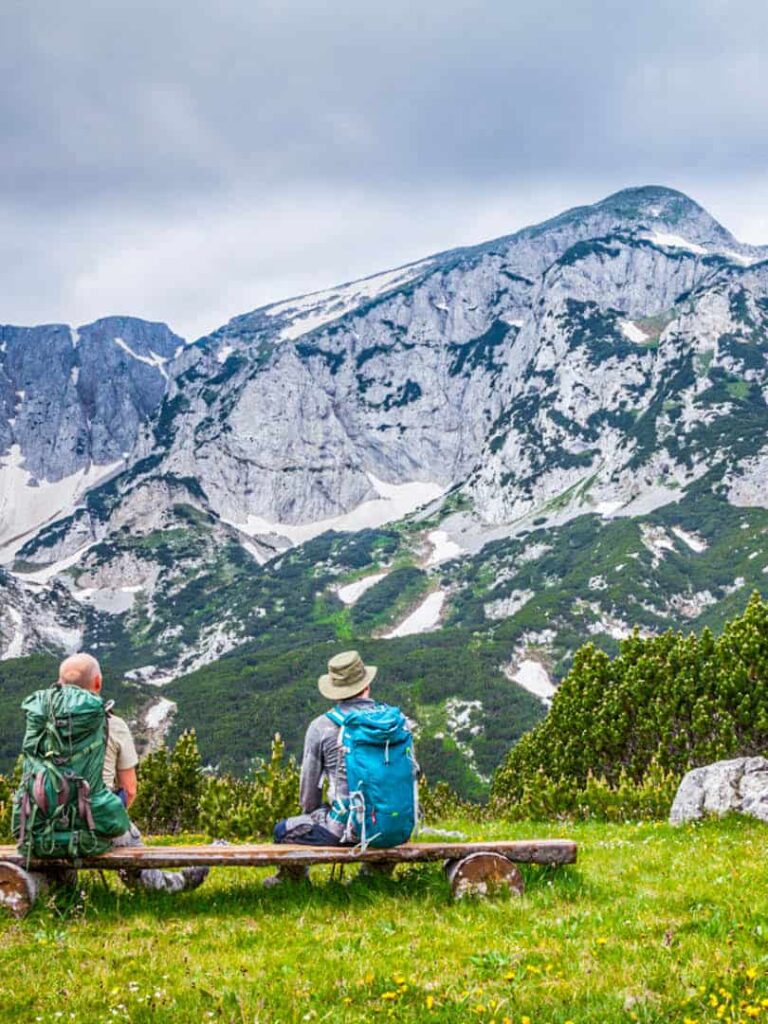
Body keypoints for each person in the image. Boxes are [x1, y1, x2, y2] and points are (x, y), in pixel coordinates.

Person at [58, 653, 208, 893]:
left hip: (45, 822)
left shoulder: (42, 723)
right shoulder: (112, 724)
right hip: (95, 822)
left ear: (60, 683)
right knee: (142, 867)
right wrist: (110, 815)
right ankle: (176, 883)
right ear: (98, 682)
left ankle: (62, 886)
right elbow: (130, 790)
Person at [267, 650, 418, 886]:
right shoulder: (398, 723)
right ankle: (375, 875)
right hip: (396, 826)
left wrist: (316, 814)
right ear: (366, 684)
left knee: (282, 830)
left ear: (335, 691)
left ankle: (291, 881)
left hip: (345, 831)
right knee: (379, 824)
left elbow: (308, 795)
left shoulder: (321, 726)